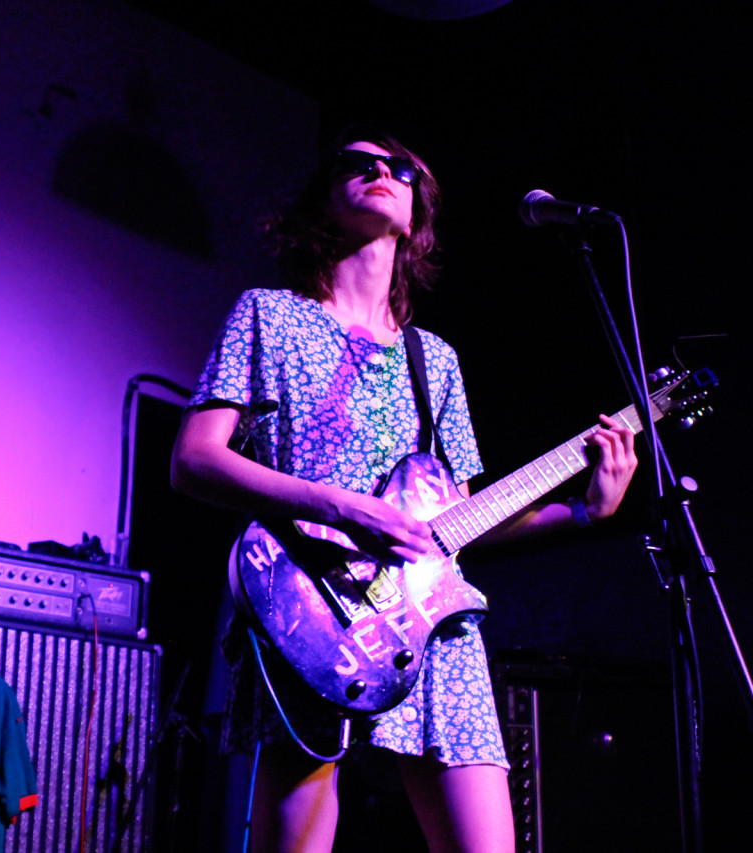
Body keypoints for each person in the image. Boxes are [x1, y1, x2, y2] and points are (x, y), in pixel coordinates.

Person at [169, 128, 638, 853]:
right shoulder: (268, 314)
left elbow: (460, 521)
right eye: (359, 165)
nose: (382, 173)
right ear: (324, 199)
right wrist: (337, 503)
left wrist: (585, 509)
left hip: (432, 623)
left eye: (400, 169)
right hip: (309, 610)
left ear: (418, 214)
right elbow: (194, 460)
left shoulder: (436, 360)